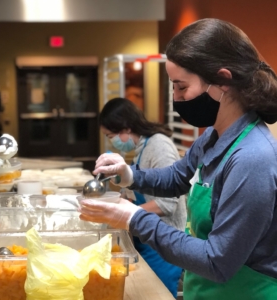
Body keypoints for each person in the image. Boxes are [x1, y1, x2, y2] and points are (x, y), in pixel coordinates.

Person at [78, 18, 277, 300]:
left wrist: (134, 217)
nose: (176, 98)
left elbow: (216, 261)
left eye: (182, 88)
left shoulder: (253, 159)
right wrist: (129, 174)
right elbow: (175, 177)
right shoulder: (213, 138)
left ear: (222, 81)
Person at [99, 97, 186, 297]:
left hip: (165, 241)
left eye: (110, 135)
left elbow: (167, 203)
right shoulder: (142, 147)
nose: (111, 141)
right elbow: (144, 189)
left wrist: (124, 213)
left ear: (126, 128)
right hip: (148, 236)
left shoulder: (159, 146)